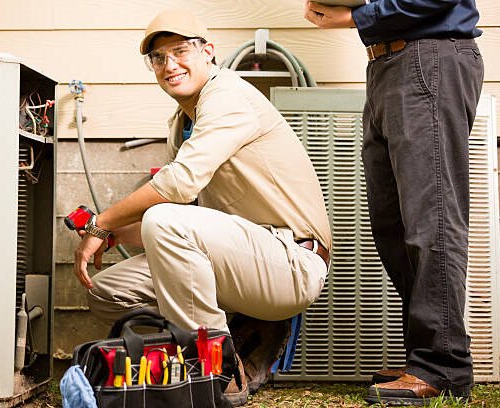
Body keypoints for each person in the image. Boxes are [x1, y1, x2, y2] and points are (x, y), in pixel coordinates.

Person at [72, 9, 332, 405]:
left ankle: (216, 368)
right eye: (158, 58)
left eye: (180, 51)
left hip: (290, 261)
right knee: (108, 292)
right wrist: (114, 236)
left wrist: (101, 224)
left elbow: (179, 186)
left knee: (163, 219)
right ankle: (209, 349)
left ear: (208, 51)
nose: (169, 65)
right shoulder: (183, 120)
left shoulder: (228, 95)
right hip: (236, 258)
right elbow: (187, 223)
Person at [304, 0, 484, 405]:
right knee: (394, 226)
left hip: (428, 56)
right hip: (390, 64)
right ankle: (423, 357)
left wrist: (356, 17)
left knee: (431, 219)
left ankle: (444, 367)